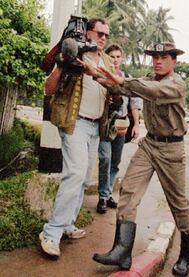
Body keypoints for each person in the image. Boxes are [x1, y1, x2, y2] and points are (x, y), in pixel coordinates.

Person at [85, 42, 189, 276]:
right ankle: (122, 251)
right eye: (155, 57)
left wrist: (122, 81)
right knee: (128, 190)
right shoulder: (148, 79)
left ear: (174, 61)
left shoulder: (176, 84)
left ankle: (186, 255)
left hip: (172, 149)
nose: (158, 61)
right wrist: (101, 78)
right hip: (149, 144)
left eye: (164, 57)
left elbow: (149, 91)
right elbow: (126, 91)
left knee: (178, 203)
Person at [39, 18, 113, 258]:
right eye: (99, 33)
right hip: (75, 123)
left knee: (82, 178)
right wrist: (61, 65)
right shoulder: (74, 53)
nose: (103, 38)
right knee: (75, 175)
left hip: (94, 128)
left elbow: (114, 88)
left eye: (106, 35)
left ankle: (68, 223)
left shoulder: (107, 61)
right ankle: (51, 233)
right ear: (88, 32)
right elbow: (48, 90)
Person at [96, 44, 142, 214]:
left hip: (121, 126)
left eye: (118, 56)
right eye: (112, 56)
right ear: (107, 58)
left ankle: (107, 195)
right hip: (104, 124)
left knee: (115, 162)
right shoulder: (100, 76)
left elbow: (135, 104)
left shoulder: (126, 78)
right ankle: (103, 196)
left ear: (122, 59)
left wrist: (136, 125)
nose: (115, 60)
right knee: (105, 158)